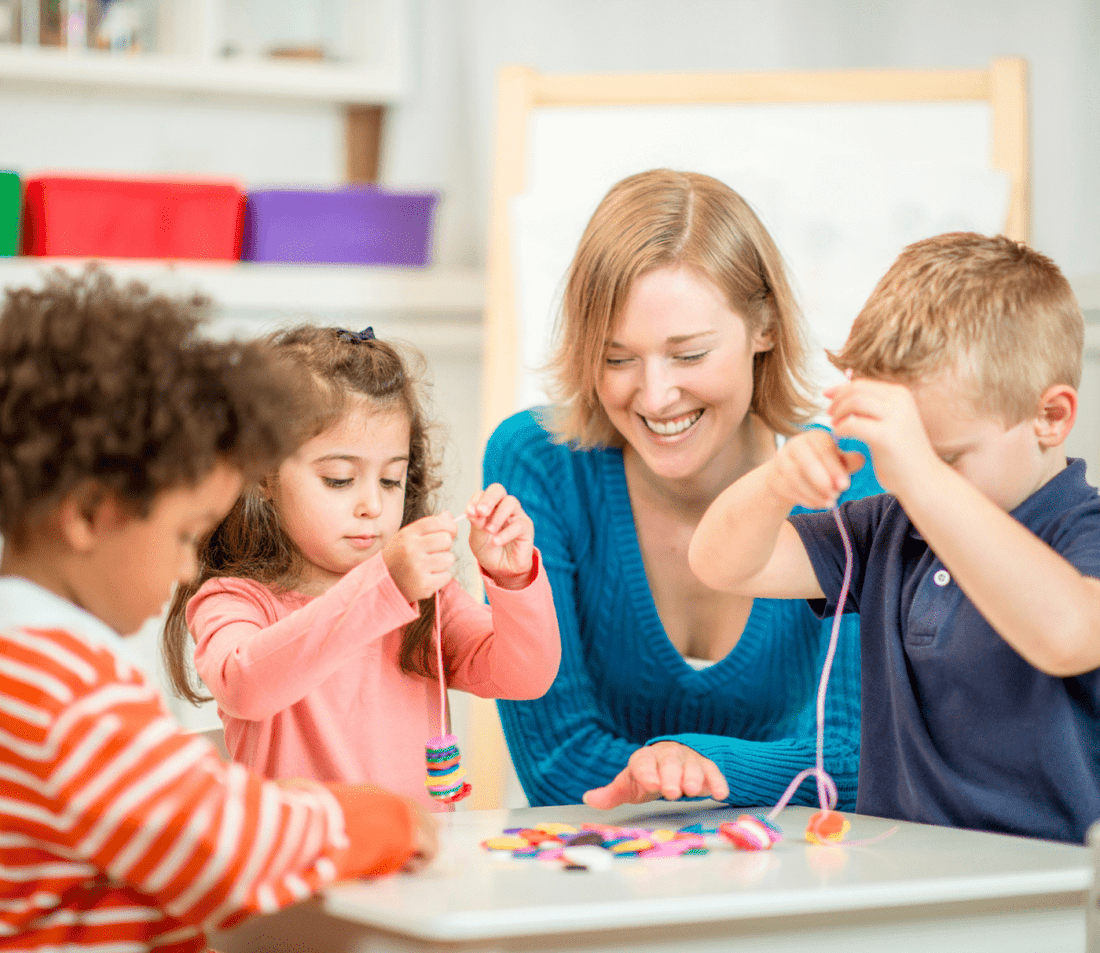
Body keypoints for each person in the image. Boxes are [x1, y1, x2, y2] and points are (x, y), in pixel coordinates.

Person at [0, 269, 435, 951]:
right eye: (182, 533)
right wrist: (378, 821)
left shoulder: (26, 662)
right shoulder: (66, 691)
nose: (183, 568)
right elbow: (225, 841)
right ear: (86, 514)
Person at [484, 168, 881, 810]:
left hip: (801, 874)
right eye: (617, 358)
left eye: (689, 354)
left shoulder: (853, 476)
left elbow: (863, 760)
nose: (656, 394)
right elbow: (558, 762)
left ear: (766, 327)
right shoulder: (537, 462)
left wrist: (694, 769)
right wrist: (730, 777)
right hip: (595, 874)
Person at [689, 232, 1100, 843]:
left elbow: (1067, 635)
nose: (909, 480)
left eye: (944, 457)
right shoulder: (892, 525)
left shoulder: (1081, 527)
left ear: (1051, 417)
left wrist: (923, 476)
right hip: (903, 878)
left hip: (1047, 894)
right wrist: (777, 481)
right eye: (896, 456)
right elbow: (722, 565)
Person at [164, 324, 561, 812]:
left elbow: (527, 677)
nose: (372, 504)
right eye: (340, 479)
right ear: (263, 476)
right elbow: (244, 686)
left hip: (419, 867)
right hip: (306, 872)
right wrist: (382, 588)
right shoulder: (235, 600)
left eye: (391, 480)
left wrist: (512, 577)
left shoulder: (424, 599)